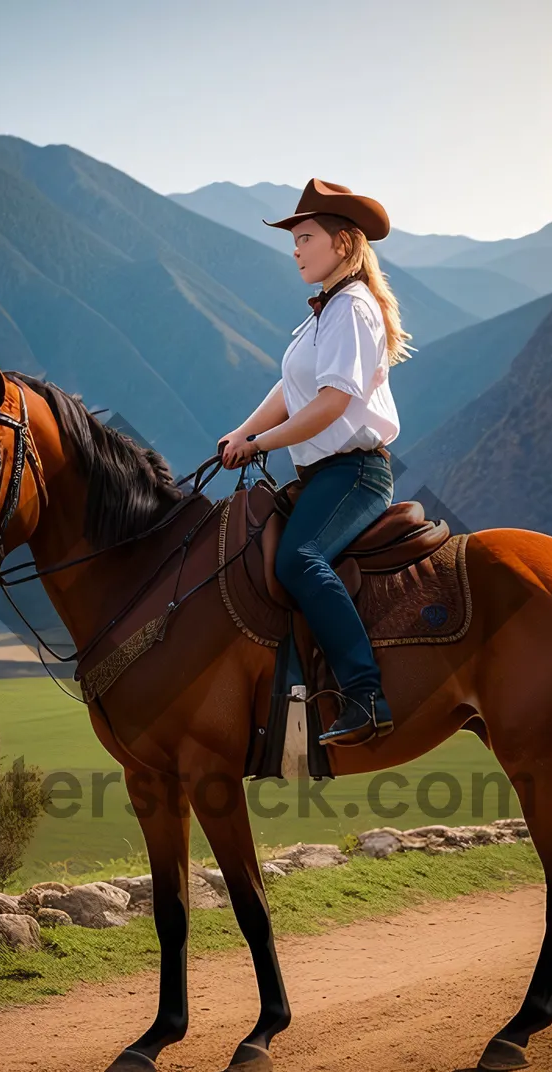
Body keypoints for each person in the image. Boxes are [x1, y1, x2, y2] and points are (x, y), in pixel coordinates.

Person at [217, 178, 412, 747]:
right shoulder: (323, 315)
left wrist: (262, 445)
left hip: (354, 474)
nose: (296, 249)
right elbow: (291, 388)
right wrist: (241, 432)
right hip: (323, 474)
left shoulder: (352, 308)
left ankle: (365, 695)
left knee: (298, 560)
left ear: (345, 244)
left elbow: (332, 404)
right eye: (295, 240)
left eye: (305, 238)